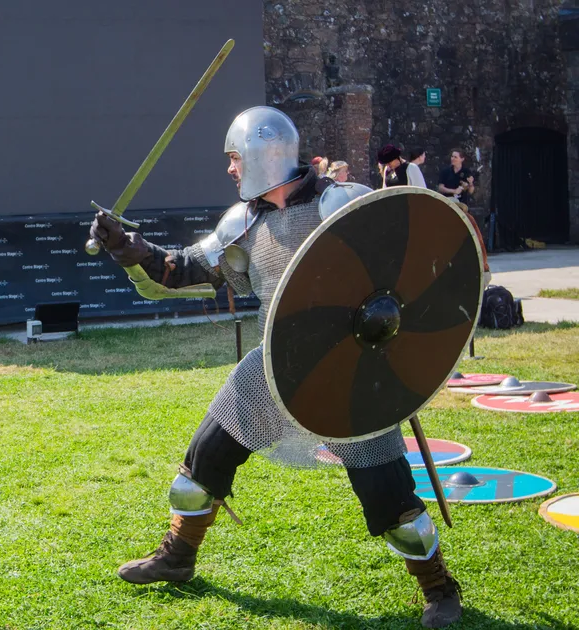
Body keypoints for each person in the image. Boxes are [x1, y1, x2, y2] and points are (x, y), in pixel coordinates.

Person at [89, 107, 462, 628]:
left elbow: (407, 267)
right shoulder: (246, 222)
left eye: (235, 158)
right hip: (273, 366)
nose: (230, 169)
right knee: (200, 469)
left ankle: (440, 590)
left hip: (350, 373)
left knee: (391, 498)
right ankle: (177, 557)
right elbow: (183, 272)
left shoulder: (343, 204)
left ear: (262, 156)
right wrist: (129, 247)